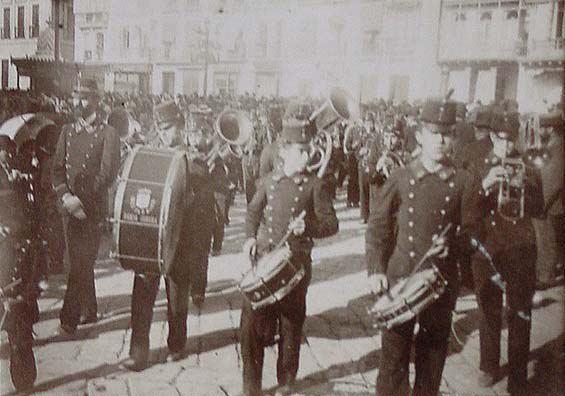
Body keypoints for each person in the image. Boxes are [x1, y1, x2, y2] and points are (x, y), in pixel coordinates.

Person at [366, 97, 481, 396]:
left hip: (440, 284)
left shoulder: (464, 182)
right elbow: (377, 226)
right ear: (420, 136)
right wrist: (376, 269)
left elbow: (474, 234)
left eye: (447, 133)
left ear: (454, 137)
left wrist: (453, 243)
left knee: (431, 362)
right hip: (401, 279)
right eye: (434, 133)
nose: (441, 140)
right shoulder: (401, 177)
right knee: (393, 362)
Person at [240, 102, 339, 396]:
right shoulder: (269, 181)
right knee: (250, 326)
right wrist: (248, 239)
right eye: (300, 150)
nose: (307, 155)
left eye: (308, 149)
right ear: (283, 152)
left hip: (295, 265)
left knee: (292, 325)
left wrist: (307, 228)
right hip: (265, 259)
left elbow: (331, 224)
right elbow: (252, 212)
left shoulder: (315, 185)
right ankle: (251, 385)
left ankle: (285, 381)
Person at [122, 102, 214, 371]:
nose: (163, 134)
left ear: (181, 126)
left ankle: (177, 344)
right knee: (142, 296)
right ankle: (138, 351)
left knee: (177, 296)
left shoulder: (194, 161)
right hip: (150, 239)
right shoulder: (149, 155)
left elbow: (205, 209)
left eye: (168, 128)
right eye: (160, 129)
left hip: (181, 240)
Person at [467, 109, 544, 395]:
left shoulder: (529, 165)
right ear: (492, 136)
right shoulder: (477, 164)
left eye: (511, 140)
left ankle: (518, 376)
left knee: (520, 313)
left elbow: (540, 208)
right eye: (501, 140)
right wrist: (486, 184)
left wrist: (528, 187)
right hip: (487, 248)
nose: (507, 147)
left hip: (521, 248)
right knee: (488, 309)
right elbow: (465, 206)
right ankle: (488, 365)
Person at [52, 82, 120, 334]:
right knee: (77, 261)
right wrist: (66, 195)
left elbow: (107, 174)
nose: (77, 103)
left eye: (83, 99)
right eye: (75, 97)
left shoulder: (108, 133)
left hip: (90, 208)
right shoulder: (67, 131)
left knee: (79, 262)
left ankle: (68, 318)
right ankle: (89, 309)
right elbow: (58, 169)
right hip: (69, 207)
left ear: (95, 101)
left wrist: (82, 199)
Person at [531, 111, 564, 291]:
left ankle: (545, 276)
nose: (540, 130)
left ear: (550, 128)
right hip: (550, 201)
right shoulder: (554, 144)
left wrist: (542, 204)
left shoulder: (557, 147)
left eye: (542, 127)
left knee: (546, 238)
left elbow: (554, 180)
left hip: (549, 203)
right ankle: (545, 272)